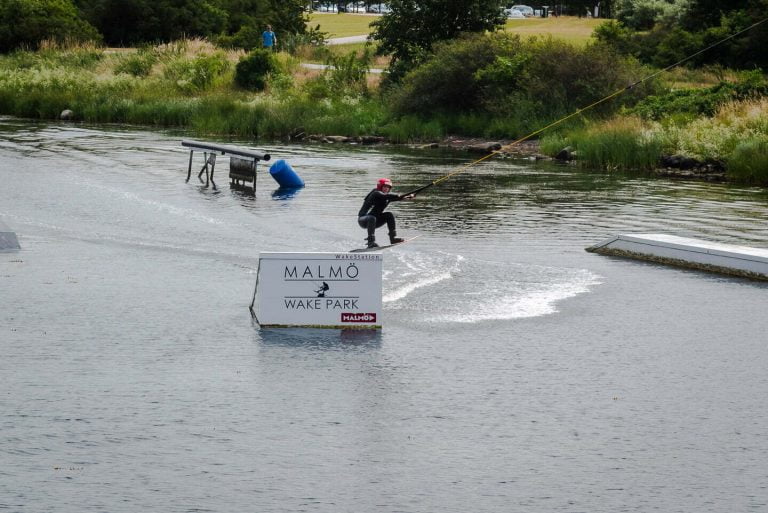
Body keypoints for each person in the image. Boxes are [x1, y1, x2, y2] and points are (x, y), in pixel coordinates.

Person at [358, 178, 414, 248]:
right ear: (380, 186)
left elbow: (397, 198)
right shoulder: (375, 193)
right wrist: (399, 196)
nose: (386, 189)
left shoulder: (387, 196)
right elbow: (385, 196)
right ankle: (371, 242)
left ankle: (393, 238)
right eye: (384, 187)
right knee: (371, 218)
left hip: (375, 221)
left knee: (389, 215)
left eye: (388, 187)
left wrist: (409, 197)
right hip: (363, 220)